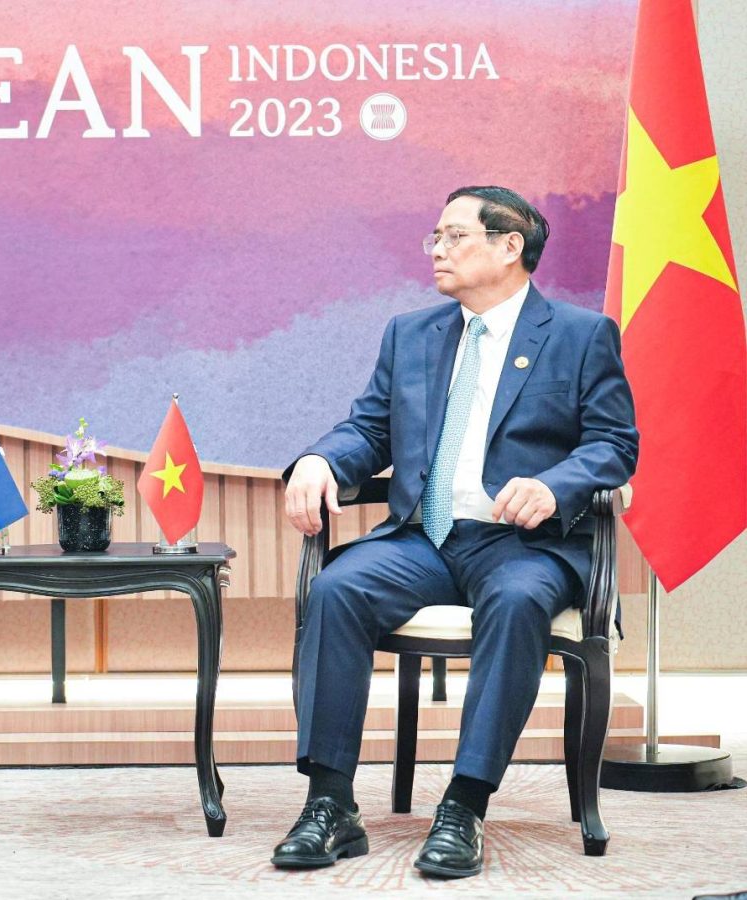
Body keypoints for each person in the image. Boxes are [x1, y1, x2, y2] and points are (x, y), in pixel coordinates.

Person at [272, 186, 638, 878]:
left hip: (523, 544)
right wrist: (321, 459)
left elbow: (613, 444)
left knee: (517, 600)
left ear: (509, 246)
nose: (437, 250)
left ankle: (464, 806)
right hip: (424, 540)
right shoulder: (411, 334)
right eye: (434, 237)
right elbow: (369, 429)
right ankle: (329, 804)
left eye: (454, 236)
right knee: (337, 589)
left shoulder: (579, 334)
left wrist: (554, 484)